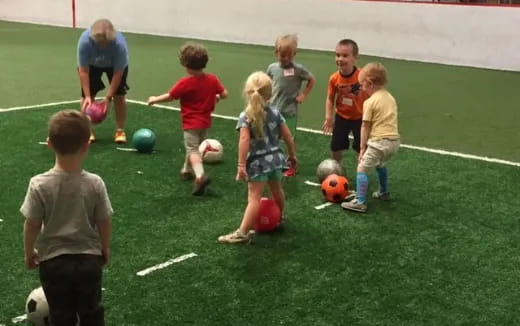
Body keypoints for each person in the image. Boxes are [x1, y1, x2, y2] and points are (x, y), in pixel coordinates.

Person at [21, 110, 112, 325]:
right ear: (86, 145)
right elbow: (104, 220)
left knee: (61, 315)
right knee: (91, 312)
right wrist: (105, 247)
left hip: (53, 263)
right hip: (89, 261)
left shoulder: (38, 184)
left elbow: (32, 223)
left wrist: (29, 252)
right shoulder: (95, 183)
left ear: (49, 144)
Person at [218, 71, 297, 244]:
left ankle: (242, 233)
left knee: (254, 199)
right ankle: (279, 217)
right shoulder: (276, 113)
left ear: (247, 92)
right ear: (270, 94)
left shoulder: (246, 116)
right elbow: (288, 136)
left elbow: (244, 140)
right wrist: (292, 155)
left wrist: (240, 165)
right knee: (277, 190)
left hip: (258, 164)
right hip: (276, 160)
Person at [147, 41, 228, 196]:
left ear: (185, 64)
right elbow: (224, 94)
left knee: (192, 150)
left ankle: (200, 176)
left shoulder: (185, 83)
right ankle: (186, 170)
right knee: (194, 148)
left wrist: (154, 99)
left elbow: (170, 96)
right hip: (205, 122)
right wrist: (216, 97)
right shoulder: (212, 79)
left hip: (191, 123)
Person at [341, 63, 400, 213]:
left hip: (378, 142)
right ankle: (383, 192)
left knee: (362, 168)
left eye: (362, 85)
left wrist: (362, 148)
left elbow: (365, 126)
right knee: (380, 164)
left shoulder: (369, 102)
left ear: (370, 84)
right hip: (394, 142)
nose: (361, 88)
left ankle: (360, 202)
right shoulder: (390, 98)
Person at [266, 34, 314, 177]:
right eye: (282, 55)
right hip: (273, 110)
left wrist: (303, 95)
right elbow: (268, 83)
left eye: (289, 55)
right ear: (276, 53)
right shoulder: (272, 68)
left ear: (294, 54)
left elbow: (311, 80)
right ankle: (275, 161)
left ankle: (291, 164)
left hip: (289, 112)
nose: (285, 58)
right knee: (272, 138)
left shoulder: (298, 69)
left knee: (288, 140)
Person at [77, 18, 130, 144]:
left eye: (106, 43)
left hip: (115, 67)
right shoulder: (85, 42)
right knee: (86, 99)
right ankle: (88, 130)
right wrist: (88, 95)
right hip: (92, 66)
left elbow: (118, 73)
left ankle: (120, 130)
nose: (102, 46)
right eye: (99, 43)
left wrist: (108, 97)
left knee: (119, 96)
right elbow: (83, 71)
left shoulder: (119, 45)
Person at [322, 39, 368, 164]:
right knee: (336, 146)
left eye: (345, 55)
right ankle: (337, 170)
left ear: (355, 58)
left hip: (360, 118)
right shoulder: (334, 78)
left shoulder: (363, 76)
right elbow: (330, 98)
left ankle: (361, 172)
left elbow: (371, 96)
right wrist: (328, 117)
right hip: (342, 117)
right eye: (337, 55)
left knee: (361, 148)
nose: (340, 59)